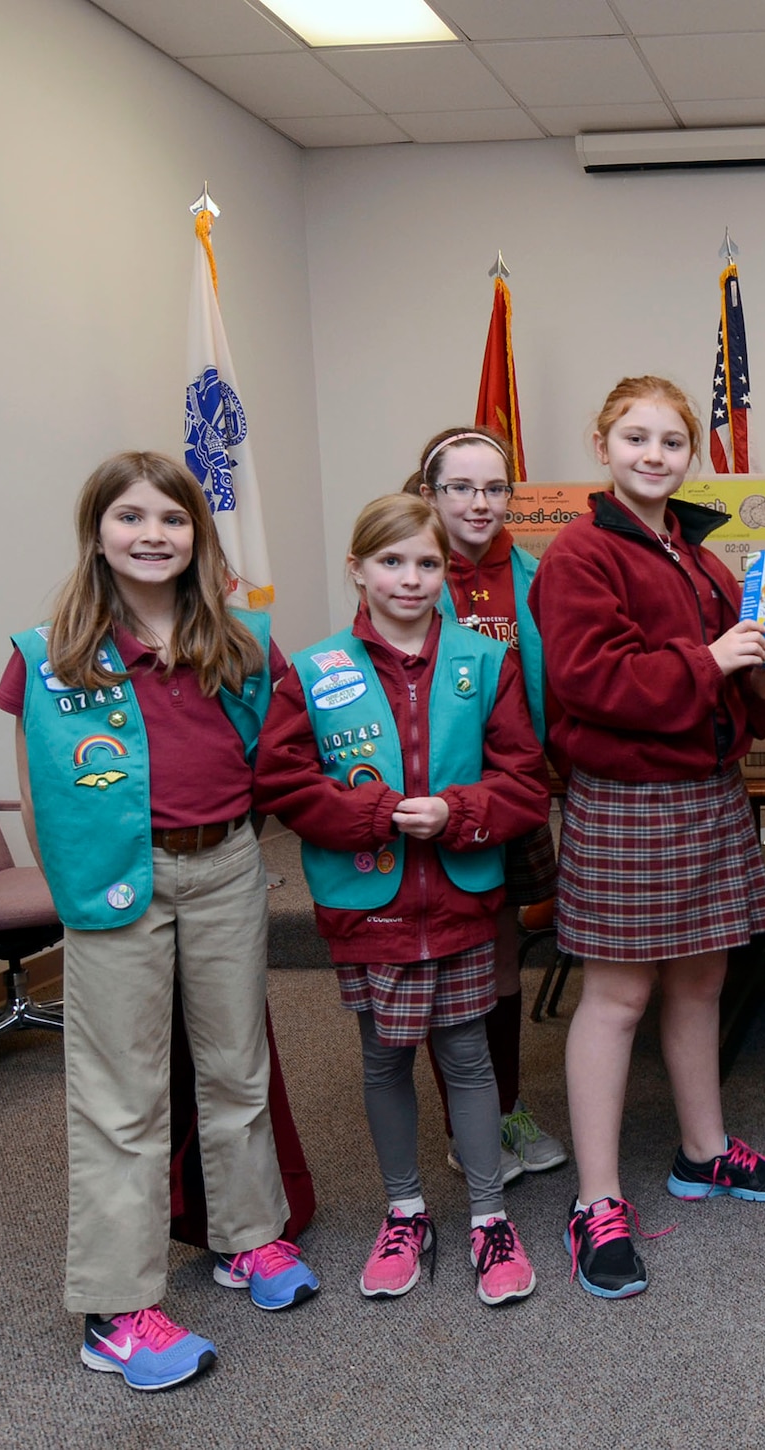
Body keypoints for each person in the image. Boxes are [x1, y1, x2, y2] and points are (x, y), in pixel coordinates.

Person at [0, 451, 316, 1392]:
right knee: (122, 1096)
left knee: (234, 1068)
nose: (152, 535)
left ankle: (246, 1239)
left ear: (197, 535)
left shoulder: (242, 640)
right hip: (116, 885)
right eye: (130, 517)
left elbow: (275, 754)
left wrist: (236, 848)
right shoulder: (49, 655)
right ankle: (115, 1306)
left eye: (172, 520)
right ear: (96, 531)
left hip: (222, 868)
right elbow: (40, 785)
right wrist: (76, 891)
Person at [528, 376, 765, 1301]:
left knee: (703, 977)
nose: (654, 454)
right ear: (602, 442)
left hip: (709, 791)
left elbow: (733, 677)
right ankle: (596, 1201)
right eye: (636, 437)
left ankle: (704, 1151)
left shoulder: (700, 554)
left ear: (693, 453)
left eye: (672, 441)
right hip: (629, 798)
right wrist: (713, 660)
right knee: (616, 998)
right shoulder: (579, 554)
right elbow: (589, 680)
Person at [255, 494, 549, 1307]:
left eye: (426, 564)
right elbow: (282, 780)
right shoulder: (313, 671)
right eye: (391, 562)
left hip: (458, 899)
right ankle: (406, 1210)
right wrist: (377, 813)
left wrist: (460, 812)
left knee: (466, 1055)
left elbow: (522, 781)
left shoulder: (483, 663)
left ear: (444, 573)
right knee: (382, 1056)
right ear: (357, 570)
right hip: (368, 904)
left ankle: (490, 1215)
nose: (410, 579)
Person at [404, 426, 567, 1182]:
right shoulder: (409, 574)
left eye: (494, 488)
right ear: (428, 494)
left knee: (502, 959)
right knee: (451, 961)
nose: (479, 502)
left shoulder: (535, 574)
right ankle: (459, 1126)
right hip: (432, 803)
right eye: (460, 487)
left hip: (510, 796)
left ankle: (505, 1111)